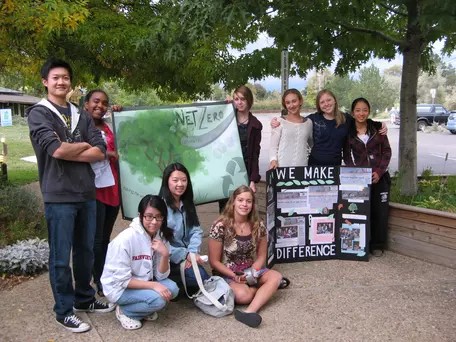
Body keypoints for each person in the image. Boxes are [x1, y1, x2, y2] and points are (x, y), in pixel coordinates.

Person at [26, 59, 114, 333]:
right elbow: (56, 151)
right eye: (55, 78)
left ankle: (84, 299)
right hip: (59, 194)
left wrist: (74, 147)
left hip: (86, 193)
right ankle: (63, 310)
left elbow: (100, 151)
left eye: (65, 77)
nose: (61, 82)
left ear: (70, 82)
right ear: (45, 82)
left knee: (85, 252)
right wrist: (82, 145)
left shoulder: (81, 114)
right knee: (61, 258)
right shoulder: (39, 114)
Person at [209, 185, 290, 328]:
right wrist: (233, 275)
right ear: (233, 201)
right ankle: (266, 290)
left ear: (252, 204)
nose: (244, 204)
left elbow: (262, 255)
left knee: (275, 276)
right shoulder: (220, 226)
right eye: (240, 200)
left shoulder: (258, 226)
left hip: (251, 271)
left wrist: (254, 269)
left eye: (248, 201)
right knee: (243, 296)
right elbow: (214, 262)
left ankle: (249, 311)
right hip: (227, 272)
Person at [100, 195, 178, 330]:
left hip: (142, 280)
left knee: (173, 290)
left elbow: (161, 277)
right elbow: (122, 280)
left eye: (158, 217)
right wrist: (153, 285)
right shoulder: (125, 239)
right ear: (140, 216)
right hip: (120, 288)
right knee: (158, 300)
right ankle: (126, 312)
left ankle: (141, 307)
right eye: (149, 216)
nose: (153, 222)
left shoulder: (160, 235)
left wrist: (164, 254)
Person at [271, 89, 386, 166]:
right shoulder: (313, 119)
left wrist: (380, 125)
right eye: (322, 102)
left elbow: (362, 120)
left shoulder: (346, 119)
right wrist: (277, 121)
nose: (326, 104)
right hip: (314, 166)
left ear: (334, 100)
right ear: (319, 106)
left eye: (328, 100)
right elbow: (296, 123)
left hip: (335, 166)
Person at [343, 98, 392, 256]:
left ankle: (377, 245)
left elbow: (387, 152)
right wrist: (356, 174)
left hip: (379, 178)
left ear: (368, 111)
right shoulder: (349, 133)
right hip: (360, 180)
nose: (361, 113)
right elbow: (347, 156)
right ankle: (363, 243)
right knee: (362, 211)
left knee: (380, 212)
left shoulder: (378, 129)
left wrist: (379, 171)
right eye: (357, 110)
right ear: (353, 113)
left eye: (364, 110)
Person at [84, 89, 121, 297]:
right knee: (96, 239)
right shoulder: (81, 127)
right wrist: (106, 154)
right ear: (86, 104)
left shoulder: (108, 126)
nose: (100, 106)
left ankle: (103, 274)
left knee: (105, 237)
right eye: (96, 102)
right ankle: (98, 279)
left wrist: (120, 113)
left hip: (112, 188)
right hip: (94, 189)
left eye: (104, 103)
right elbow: (81, 151)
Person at [158, 162, 209, 294]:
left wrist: (192, 253)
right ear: (166, 181)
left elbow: (196, 230)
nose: (180, 184)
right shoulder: (160, 207)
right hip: (168, 258)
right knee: (201, 278)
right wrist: (185, 255)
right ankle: (167, 279)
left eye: (184, 180)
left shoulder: (187, 202)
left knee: (202, 278)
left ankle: (177, 282)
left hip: (188, 256)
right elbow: (161, 243)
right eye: (175, 180)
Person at [219, 85, 263, 212]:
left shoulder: (256, 125)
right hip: (227, 170)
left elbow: (255, 154)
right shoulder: (228, 118)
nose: (239, 102)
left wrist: (253, 180)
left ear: (249, 100)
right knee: (226, 209)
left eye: (242, 99)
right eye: (236, 99)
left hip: (244, 171)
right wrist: (224, 106)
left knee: (242, 208)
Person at [269, 88, 313, 169]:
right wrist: (273, 160)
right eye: (288, 102)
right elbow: (273, 146)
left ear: (300, 101)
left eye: (294, 101)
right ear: (285, 104)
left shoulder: (308, 123)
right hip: (282, 167)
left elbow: (312, 144)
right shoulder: (279, 121)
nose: (291, 105)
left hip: (302, 167)